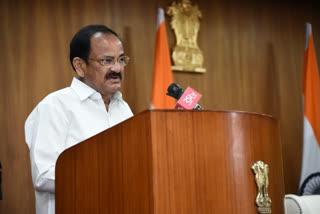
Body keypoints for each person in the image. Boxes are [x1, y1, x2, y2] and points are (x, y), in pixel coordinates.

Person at [24, 25, 133, 214]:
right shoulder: (55, 106)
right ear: (80, 66)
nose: (117, 68)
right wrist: (103, 179)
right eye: (107, 60)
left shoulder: (123, 108)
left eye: (121, 60)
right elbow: (43, 176)